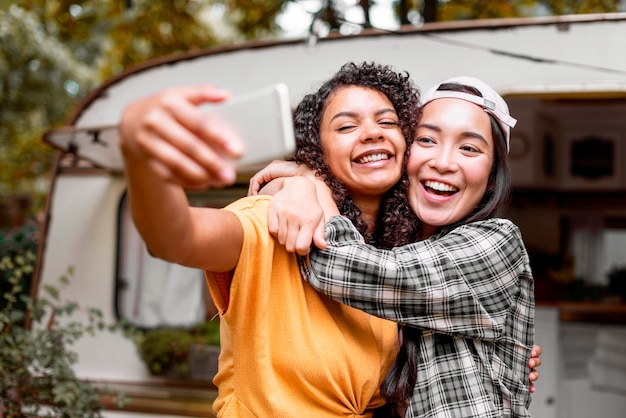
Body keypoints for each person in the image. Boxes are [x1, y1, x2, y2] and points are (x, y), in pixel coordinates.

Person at [119, 62, 421, 417]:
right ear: (317, 151)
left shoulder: (397, 256)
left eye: (387, 122)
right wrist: (142, 159)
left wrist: (303, 178)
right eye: (347, 126)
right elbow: (176, 237)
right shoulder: (273, 219)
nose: (372, 133)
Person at [251, 76, 535, 417]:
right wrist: (292, 186)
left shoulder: (496, 242)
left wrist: (309, 179)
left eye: (469, 148)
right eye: (427, 139)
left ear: (492, 176)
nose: (443, 162)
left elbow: (340, 265)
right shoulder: (391, 240)